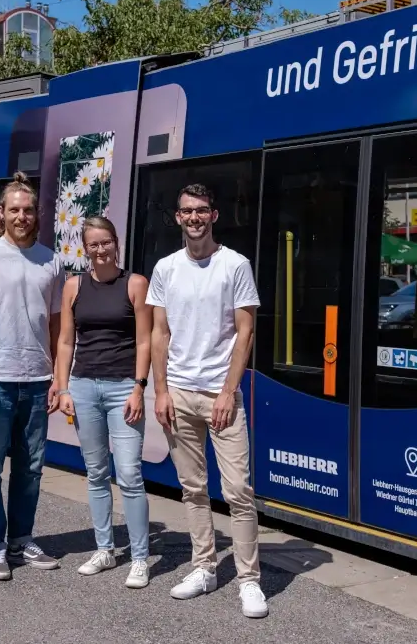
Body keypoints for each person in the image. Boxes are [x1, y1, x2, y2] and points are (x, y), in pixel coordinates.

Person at [147, 183, 269, 618]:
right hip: (178, 392)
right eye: (187, 211)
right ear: (177, 218)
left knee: (238, 490)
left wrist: (227, 392)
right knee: (193, 489)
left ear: (214, 215)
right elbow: (159, 333)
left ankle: (249, 580)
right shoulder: (165, 268)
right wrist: (159, 391)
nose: (194, 218)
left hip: (221, 395)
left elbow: (245, 332)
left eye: (201, 210)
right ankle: (204, 568)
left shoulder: (235, 265)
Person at [0, 172, 65, 581]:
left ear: (35, 214)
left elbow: (57, 326)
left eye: (27, 210)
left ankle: (21, 540)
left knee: (31, 468)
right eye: (14, 210)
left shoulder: (52, 260)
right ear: (1, 214)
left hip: (38, 381)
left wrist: (59, 377)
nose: (21, 216)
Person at [56, 217, 153, 589]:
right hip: (82, 387)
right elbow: (66, 341)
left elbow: (144, 341)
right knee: (96, 473)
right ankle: (105, 548)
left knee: (129, 473)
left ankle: (141, 557)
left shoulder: (135, 284)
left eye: (106, 243)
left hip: (123, 388)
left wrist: (139, 388)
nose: (101, 250)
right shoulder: (73, 286)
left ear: (116, 243)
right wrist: (63, 387)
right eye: (93, 245)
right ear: (85, 248)